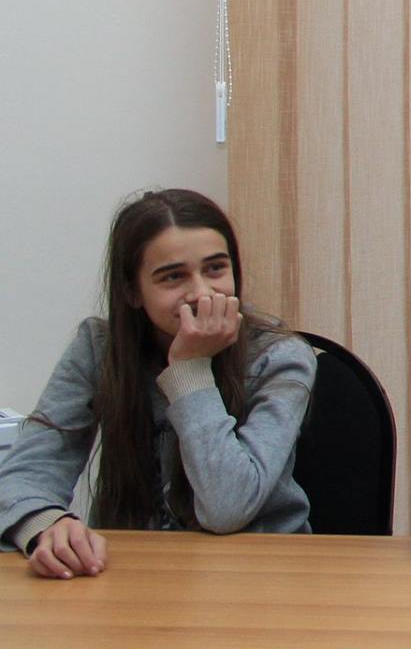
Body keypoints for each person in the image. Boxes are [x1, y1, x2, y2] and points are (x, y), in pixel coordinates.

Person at [0, 189, 315, 579]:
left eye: (216, 269)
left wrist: (190, 370)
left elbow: (228, 507)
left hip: (258, 573)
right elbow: (26, 472)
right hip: (134, 571)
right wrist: (46, 524)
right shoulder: (98, 349)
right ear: (132, 291)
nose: (201, 293)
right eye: (173, 276)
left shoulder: (279, 357)